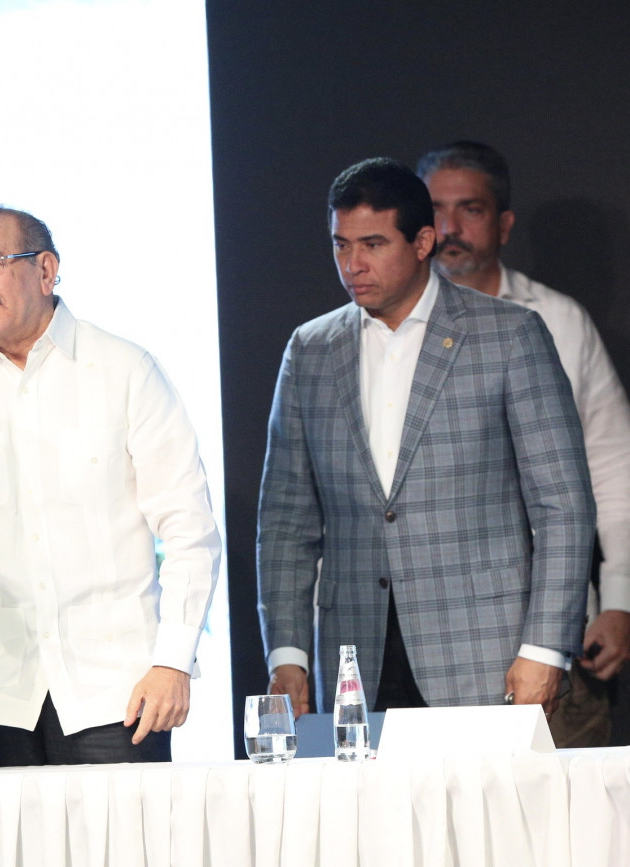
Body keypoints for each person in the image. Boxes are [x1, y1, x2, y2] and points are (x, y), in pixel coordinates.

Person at [257, 157, 595, 718]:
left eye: (372, 244)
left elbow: (563, 506)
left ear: (423, 242)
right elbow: (286, 522)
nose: (353, 265)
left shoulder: (508, 335)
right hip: (356, 658)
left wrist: (544, 648)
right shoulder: (310, 350)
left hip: (487, 653)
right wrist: (287, 654)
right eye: (341, 245)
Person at [0, 205, 222, 767]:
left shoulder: (125, 370)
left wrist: (173, 660)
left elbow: (190, 529)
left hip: (118, 689)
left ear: (46, 270)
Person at [417, 141, 630, 745]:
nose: (449, 228)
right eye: (434, 210)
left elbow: (612, 467)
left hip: (554, 629)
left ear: (504, 224)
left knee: (559, 802)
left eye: (470, 209)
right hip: (422, 632)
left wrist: (619, 597)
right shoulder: (380, 333)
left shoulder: (559, 321)